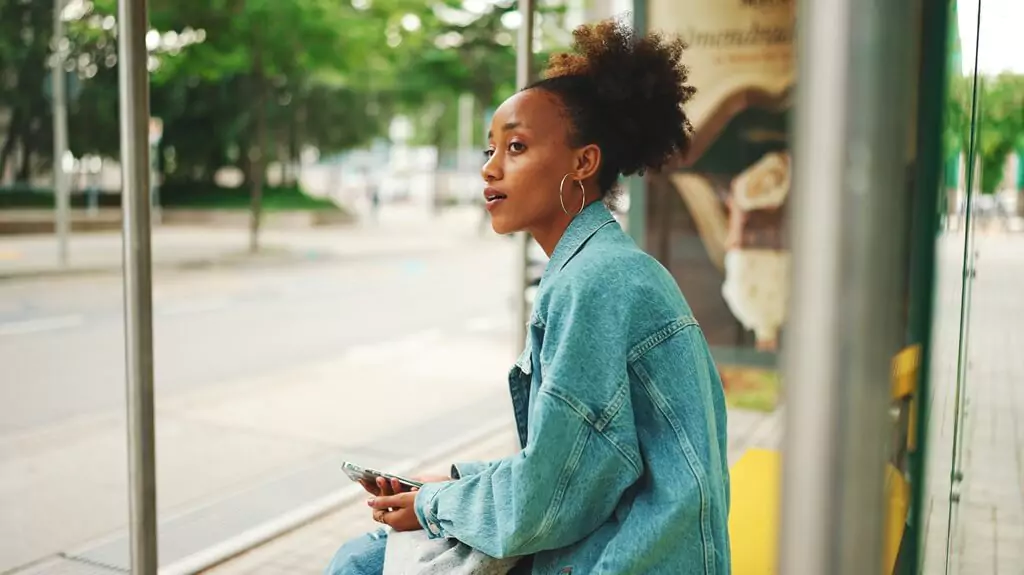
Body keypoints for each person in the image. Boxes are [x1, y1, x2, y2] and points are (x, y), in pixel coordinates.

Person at [327, 19, 729, 575]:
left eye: (516, 147)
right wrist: (459, 481)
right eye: (491, 149)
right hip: (627, 546)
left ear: (583, 163)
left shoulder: (596, 284)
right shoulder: (599, 268)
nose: (490, 168)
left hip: (626, 558)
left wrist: (431, 504)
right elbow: (581, 463)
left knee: (358, 565)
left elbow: (550, 497)